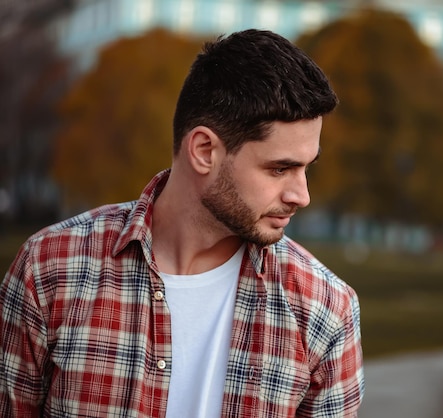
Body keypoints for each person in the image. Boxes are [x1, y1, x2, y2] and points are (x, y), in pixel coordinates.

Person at [0, 29, 364, 417]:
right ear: (204, 151)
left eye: (306, 168)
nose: (301, 195)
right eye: (279, 169)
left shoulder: (325, 309)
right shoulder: (51, 270)